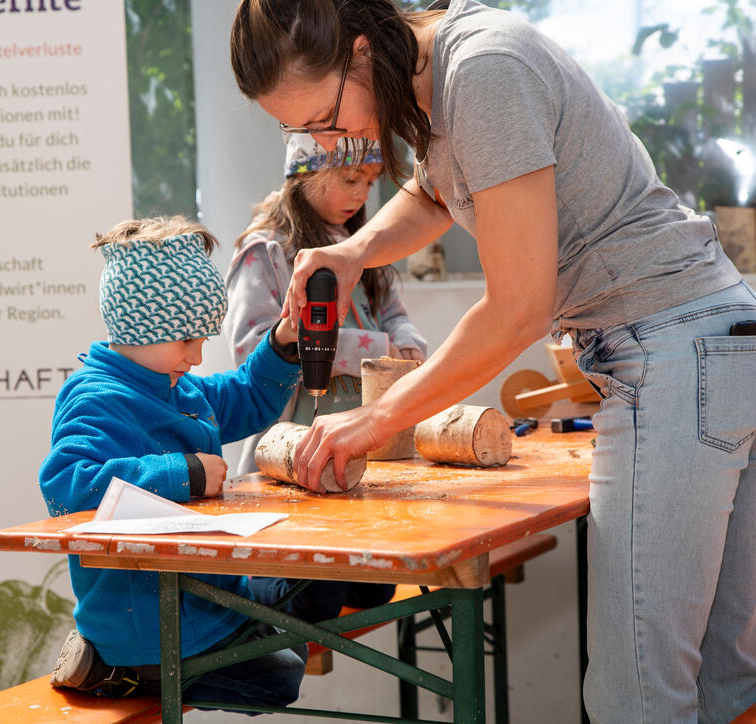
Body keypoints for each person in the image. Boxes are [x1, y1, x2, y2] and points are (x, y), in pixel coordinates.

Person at [230, 1, 756, 722]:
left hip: (670, 348)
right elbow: (435, 191)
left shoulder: (482, 72)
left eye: (323, 117)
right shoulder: (439, 77)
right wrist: (355, 252)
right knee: (721, 680)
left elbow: (517, 309)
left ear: (357, 52)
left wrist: (374, 419)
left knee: (636, 695)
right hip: (710, 339)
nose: (329, 140)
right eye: (297, 131)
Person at [39, 216, 311, 710]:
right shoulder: (96, 398)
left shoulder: (175, 385)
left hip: (200, 596)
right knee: (281, 676)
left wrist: (281, 343)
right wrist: (182, 472)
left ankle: (188, 649)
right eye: (187, 340)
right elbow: (67, 484)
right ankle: (119, 673)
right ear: (140, 326)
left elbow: (246, 395)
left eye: (203, 339)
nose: (197, 355)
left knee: (311, 619)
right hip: (148, 621)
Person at [223, 133, 427, 476]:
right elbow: (252, 350)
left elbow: (393, 315)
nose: (361, 194)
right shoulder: (267, 251)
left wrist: (406, 343)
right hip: (292, 450)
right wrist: (378, 350)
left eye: (369, 182)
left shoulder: (364, 246)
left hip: (369, 444)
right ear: (304, 172)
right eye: (350, 179)